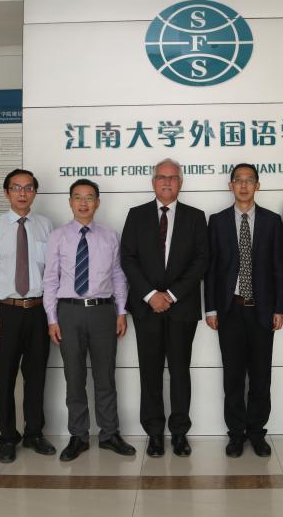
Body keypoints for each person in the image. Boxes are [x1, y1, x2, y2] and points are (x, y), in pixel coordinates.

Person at [120, 158, 208, 458]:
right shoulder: (137, 215)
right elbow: (128, 258)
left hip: (182, 308)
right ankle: (154, 433)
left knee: (180, 372)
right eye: (162, 177)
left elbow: (201, 261)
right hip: (146, 309)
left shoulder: (196, 217)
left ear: (181, 183)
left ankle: (180, 433)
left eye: (173, 177)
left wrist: (170, 294)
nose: (167, 182)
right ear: (153, 182)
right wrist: (150, 295)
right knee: (150, 372)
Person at [43, 179, 135, 461]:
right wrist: (52, 319)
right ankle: (78, 436)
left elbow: (118, 276)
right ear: (70, 202)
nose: (83, 203)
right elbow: (50, 279)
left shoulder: (110, 236)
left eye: (89, 197)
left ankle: (109, 434)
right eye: (78, 197)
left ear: (97, 202)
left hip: (103, 312)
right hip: (69, 312)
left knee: (105, 376)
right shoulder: (58, 236)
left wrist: (121, 311)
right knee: (74, 377)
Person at [205, 163, 283, 458]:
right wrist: (210, 308)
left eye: (249, 180)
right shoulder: (217, 221)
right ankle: (236, 434)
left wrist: (279, 307)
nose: (243, 185)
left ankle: (257, 432)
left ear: (257, 185)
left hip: (262, 311)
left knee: (261, 377)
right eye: (238, 180)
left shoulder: (272, 221)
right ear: (230, 186)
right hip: (230, 311)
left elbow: (280, 267)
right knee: (233, 377)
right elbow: (211, 268)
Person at [0, 169, 56, 463]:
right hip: (5, 313)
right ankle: (8, 437)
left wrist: (51, 314)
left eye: (28, 188)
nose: (22, 193)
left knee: (36, 377)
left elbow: (51, 273)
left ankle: (34, 433)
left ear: (35, 192)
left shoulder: (46, 226)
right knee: (6, 378)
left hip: (37, 311)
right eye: (16, 188)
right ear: (6, 193)